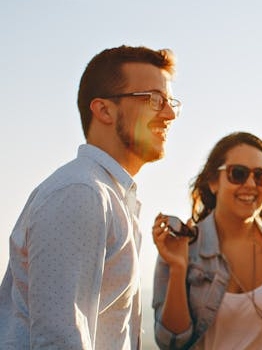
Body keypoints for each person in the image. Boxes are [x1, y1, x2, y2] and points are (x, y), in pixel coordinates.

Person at [0, 45, 179, 349]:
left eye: (170, 101)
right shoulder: (81, 193)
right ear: (104, 110)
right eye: (153, 99)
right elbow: (59, 341)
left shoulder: (114, 197)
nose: (170, 113)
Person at [152, 131, 262, 349]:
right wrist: (177, 267)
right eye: (238, 173)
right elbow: (171, 342)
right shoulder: (182, 246)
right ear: (213, 182)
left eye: (261, 175)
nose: (251, 184)